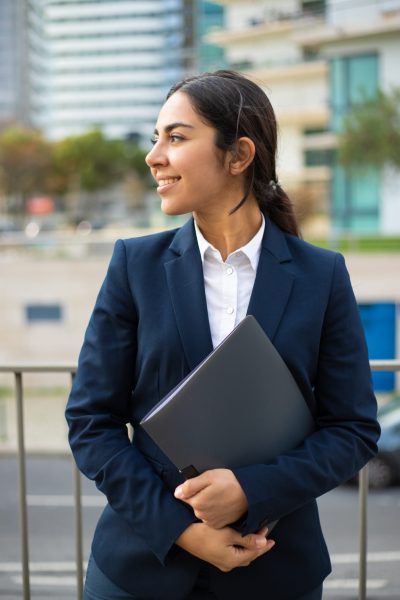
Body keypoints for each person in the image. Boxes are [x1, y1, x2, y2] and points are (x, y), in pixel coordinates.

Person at [66, 70, 380, 600]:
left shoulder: (321, 275)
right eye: (156, 138)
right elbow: (90, 422)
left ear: (238, 156)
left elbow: (351, 430)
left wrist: (250, 492)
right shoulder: (134, 266)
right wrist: (182, 530)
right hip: (140, 570)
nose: (154, 156)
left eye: (177, 137)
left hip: (276, 573)